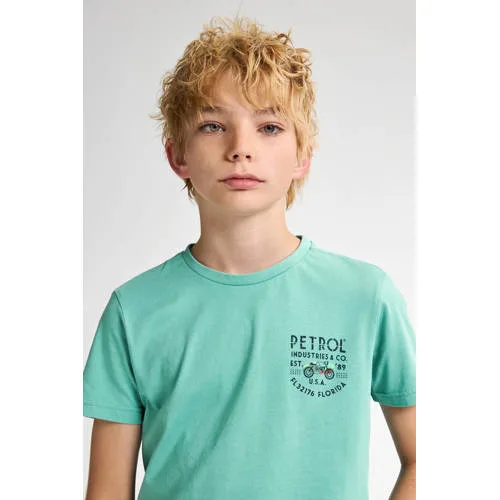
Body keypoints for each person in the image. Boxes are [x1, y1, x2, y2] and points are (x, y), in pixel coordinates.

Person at [83, 16, 416, 500]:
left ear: (302, 156)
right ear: (177, 155)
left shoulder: (365, 296)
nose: (241, 149)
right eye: (213, 126)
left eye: (270, 127)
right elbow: (108, 492)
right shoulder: (133, 311)